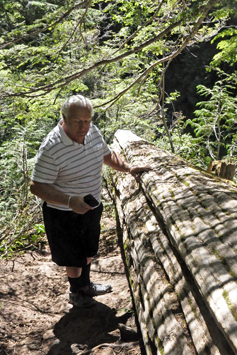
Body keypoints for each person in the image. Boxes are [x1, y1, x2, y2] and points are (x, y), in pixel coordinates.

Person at [30, 95, 150, 307]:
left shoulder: (92, 131)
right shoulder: (52, 147)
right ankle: (76, 292)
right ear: (64, 118)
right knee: (73, 257)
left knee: (88, 251)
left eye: (87, 120)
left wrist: (129, 168)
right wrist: (69, 201)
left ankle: (86, 286)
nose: (84, 126)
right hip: (63, 213)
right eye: (78, 121)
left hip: (91, 205)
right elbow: (36, 186)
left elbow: (107, 155)